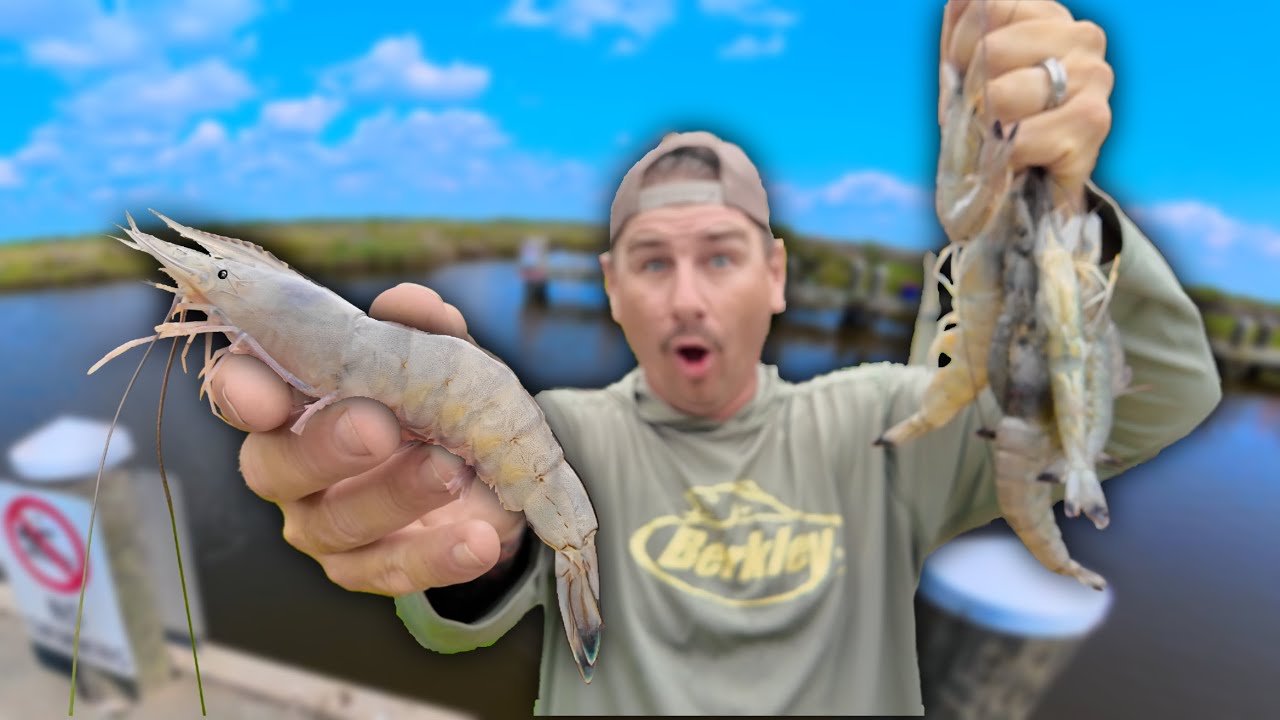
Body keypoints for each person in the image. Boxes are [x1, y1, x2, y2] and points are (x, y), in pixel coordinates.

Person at [209, 1, 1222, 715]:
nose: (686, 294)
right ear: (609, 288)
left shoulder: (886, 423)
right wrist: (443, 538)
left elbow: (1157, 401)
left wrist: (1054, 208)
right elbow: (456, 602)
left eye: (720, 255)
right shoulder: (565, 428)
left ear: (776, 276)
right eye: (651, 261)